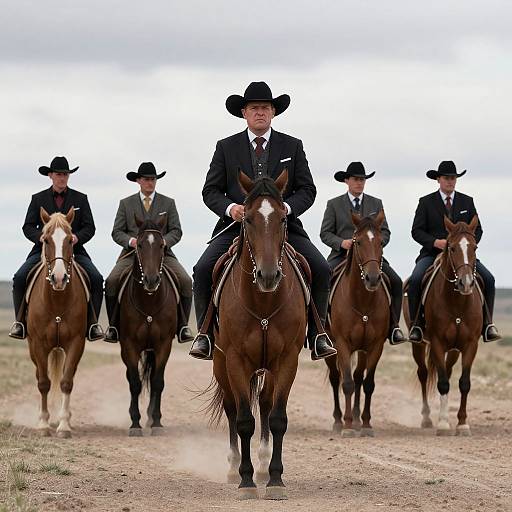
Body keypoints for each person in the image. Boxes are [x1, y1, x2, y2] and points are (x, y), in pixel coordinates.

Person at [190, 81, 337, 361]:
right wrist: (231, 208)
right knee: (202, 268)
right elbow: (210, 191)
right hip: (237, 227)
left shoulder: (292, 146)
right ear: (244, 112)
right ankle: (205, 334)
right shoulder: (226, 147)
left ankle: (318, 334)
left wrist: (287, 210)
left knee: (320, 267)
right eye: (255, 108)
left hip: (283, 227)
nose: (260, 113)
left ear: (273, 113)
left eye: (266, 108)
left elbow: (308, 190)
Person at [9, 156, 104, 341]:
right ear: (50, 175)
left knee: (97, 278)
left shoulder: (81, 199)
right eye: (59, 174)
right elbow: (27, 226)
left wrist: (77, 237)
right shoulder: (38, 199)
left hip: (73, 250)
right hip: (43, 250)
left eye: (65, 175)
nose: (62, 178)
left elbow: (90, 227)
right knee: (19, 277)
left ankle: (92, 324)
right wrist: (40, 237)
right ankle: (20, 322)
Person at [408, 160, 501, 343]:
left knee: (489, 279)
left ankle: (488, 324)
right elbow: (416, 231)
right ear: (438, 180)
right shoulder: (426, 202)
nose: (450, 181)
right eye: (446, 178)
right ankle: (416, 325)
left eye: (453, 178)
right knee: (416, 279)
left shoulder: (467, 201)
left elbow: (478, 230)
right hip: (432, 254)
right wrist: (435, 242)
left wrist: (467, 246)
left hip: (462, 256)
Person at [103, 162, 194, 343]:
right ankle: (113, 326)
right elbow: (117, 231)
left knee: (185, 280)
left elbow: (176, 230)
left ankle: (183, 326)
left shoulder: (168, 203)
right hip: (131, 254)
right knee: (111, 281)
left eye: (153, 179)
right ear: (138, 181)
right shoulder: (126, 204)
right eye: (146, 179)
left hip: (162, 254)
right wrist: (131, 242)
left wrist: (163, 243)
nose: (150, 182)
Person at [320, 162, 407, 345]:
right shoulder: (334, 204)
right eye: (356, 179)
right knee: (322, 278)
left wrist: (374, 243)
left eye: (362, 180)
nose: (359, 183)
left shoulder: (376, 203)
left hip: (370, 256)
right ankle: (320, 328)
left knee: (397, 281)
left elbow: (386, 232)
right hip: (342, 255)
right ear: (347, 181)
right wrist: (341, 243)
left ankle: (394, 327)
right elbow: (325, 233)